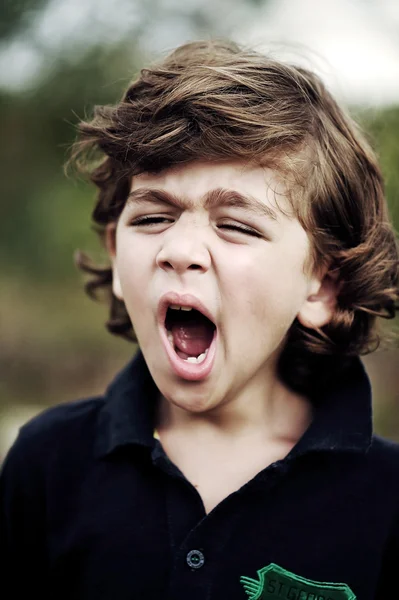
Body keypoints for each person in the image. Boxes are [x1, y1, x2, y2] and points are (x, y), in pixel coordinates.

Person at [1, 39, 398, 600]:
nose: (179, 250)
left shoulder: (385, 498)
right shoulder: (47, 463)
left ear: (323, 286)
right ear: (117, 258)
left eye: (236, 225)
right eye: (154, 216)